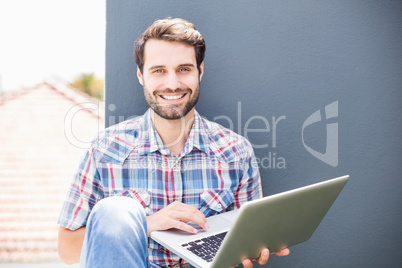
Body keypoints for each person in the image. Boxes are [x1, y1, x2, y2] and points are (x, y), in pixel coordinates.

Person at [57, 17, 289, 268]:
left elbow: (246, 239)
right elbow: (68, 249)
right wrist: (145, 225)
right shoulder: (105, 149)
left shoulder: (236, 151)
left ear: (200, 72)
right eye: (159, 71)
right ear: (141, 75)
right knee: (114, 210)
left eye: (184, 69)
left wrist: (247, 251)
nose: (172, 84)